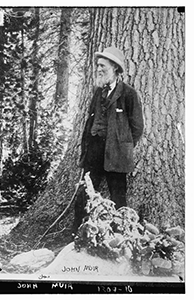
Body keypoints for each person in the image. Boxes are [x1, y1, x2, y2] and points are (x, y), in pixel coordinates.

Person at [73, 46, 144, 232]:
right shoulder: (98, 92)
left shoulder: (129, 94)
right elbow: (90, 122)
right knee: (85, 194)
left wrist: (123, 146)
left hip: (117, 154)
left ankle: (120, 236)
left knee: (118, 198)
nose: (99, 69)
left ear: (115, 68)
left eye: (103, 66)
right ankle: (77, 233)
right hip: (94, 152)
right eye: (98, 65)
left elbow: (137, 127)